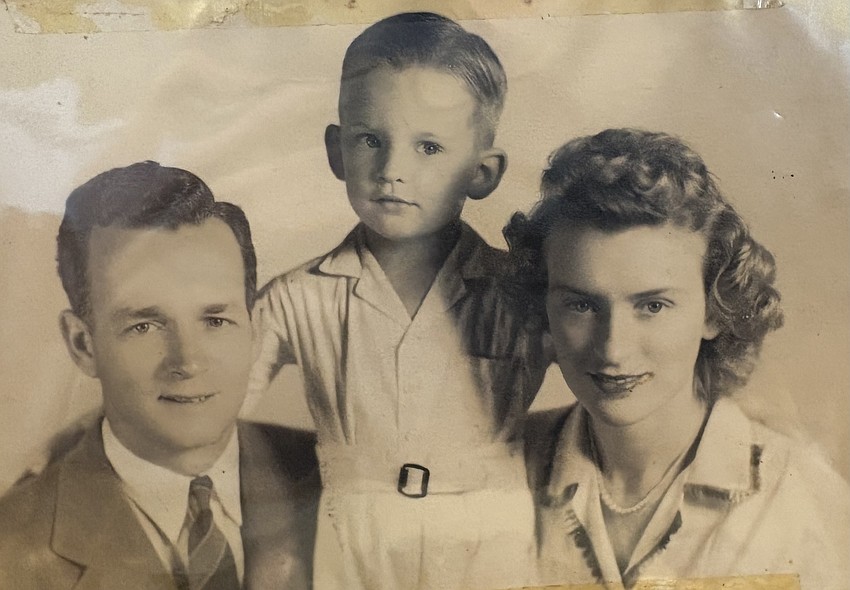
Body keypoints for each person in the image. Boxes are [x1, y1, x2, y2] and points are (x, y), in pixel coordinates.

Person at [249, 12, 548, 590]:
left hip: (491, 549)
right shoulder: (296, 299)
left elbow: (613, 369)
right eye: (370, 140)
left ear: (482, 172)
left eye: (428, 147)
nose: (392, 171)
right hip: (350, 548)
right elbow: (207, 409)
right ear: (337, 150)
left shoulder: (522, 293)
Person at [507, 129, 850, 588]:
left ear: (713, 310)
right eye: (582, 305)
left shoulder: (799, 495)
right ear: (544, 306)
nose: (613, 349)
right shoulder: (500, 463)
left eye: (653, 306)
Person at [0, 162, 321, 590]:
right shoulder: (12, 548)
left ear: (255, 329)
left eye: (215, 320)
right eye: (144, 326)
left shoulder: (338, 481)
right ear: (83, 345)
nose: (187, 362)